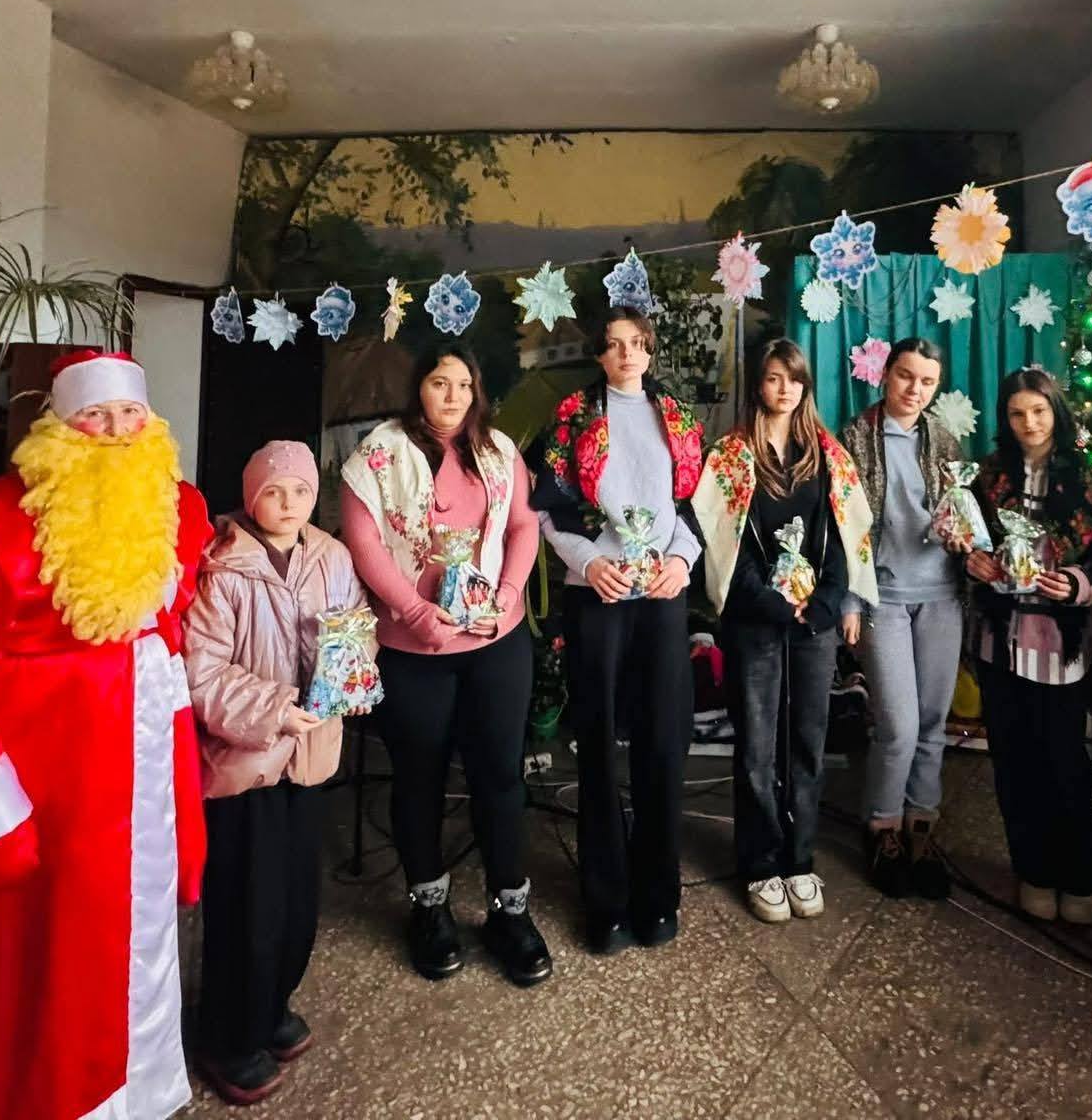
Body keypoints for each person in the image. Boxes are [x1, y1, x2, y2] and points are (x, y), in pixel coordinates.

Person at [0, 348, 212, 1120]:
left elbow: (173, 612)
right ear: (59, 427)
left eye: (130, 413)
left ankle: (132, 1096)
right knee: (27, 976)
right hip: (41, 796)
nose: (117, 430)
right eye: (96, 415)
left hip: (143, 781)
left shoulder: (172, 509)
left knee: (135, 950)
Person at [342, 343, 549, 986]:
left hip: (495, 642)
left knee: (500, 776)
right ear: (418, 388)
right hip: (414, 649)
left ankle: (509, 910)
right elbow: (364, 541)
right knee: (419, 778)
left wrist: (508, 596)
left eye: (463, 384)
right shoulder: (377, 453)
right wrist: (411, 610)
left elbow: (523, 527)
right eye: (439, 382)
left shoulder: (498, 450)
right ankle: (429, 907)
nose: (453, 396)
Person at [185, 440, 365, 1103]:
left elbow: (355, 629)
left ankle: (271, 1005)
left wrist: (351, 669)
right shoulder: (223, 565)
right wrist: (273, 709)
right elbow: (200, 672)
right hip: (247, 764)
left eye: (301, 492)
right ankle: (227, 1033)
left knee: (294, 904)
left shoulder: (332, 556)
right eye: (274, 492)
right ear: (250, 496)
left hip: (309, 758)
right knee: (246, 910)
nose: (288, 504)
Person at [527, 306, 704, 953]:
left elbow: (696, 507)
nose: (627, 354)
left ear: (650, 350)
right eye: (614, 345)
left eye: (637, 343)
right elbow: (547, 509)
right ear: (599, 355)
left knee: (662, 742)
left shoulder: (676, 418)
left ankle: (658, 894)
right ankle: (604, 901)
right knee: (598, 746)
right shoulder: (575, 416)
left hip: (661, 596)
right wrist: (589, 562)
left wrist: (681, 562)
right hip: (597, 593)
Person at [693, 339, 876, 923]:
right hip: (755, 620)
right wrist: (769, 601)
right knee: (756, 746)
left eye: (794, 379)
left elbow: (847, 534)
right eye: (774, 378)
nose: (785, 389)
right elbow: (722, 544)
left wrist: (826, 601)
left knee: (807, 742)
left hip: (814, 622)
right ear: (759, 384)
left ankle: (799, 860)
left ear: (805, 386)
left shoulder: (826, 454)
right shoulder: (730, 456)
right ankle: (760, 863)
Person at [968, 368, 1092, 923]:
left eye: (1039, 410)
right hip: (998, 641)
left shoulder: (1091, 478)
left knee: (1065, 764)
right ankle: (1032, 869)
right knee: (1014, 763)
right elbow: (970, 538)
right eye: (1017, 413)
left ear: (1056, 410)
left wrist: (1079, 582)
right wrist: (974, 560)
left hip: (1059, 646)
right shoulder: (989, 477)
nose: (1029, 423)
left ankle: (1079, 875)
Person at [839, 337, 968, 899]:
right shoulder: (853, 438)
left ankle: (921, 826)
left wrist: (965, 538)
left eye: (927, 382)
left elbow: (965, 515)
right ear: (885, 375)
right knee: (899, 725)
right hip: (883, 598)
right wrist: (850, 602)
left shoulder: (945, 440)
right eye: (906, 376)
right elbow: (842, 527)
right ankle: (883, 827)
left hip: (942, 595)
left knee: (934, 722)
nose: (915, 390)